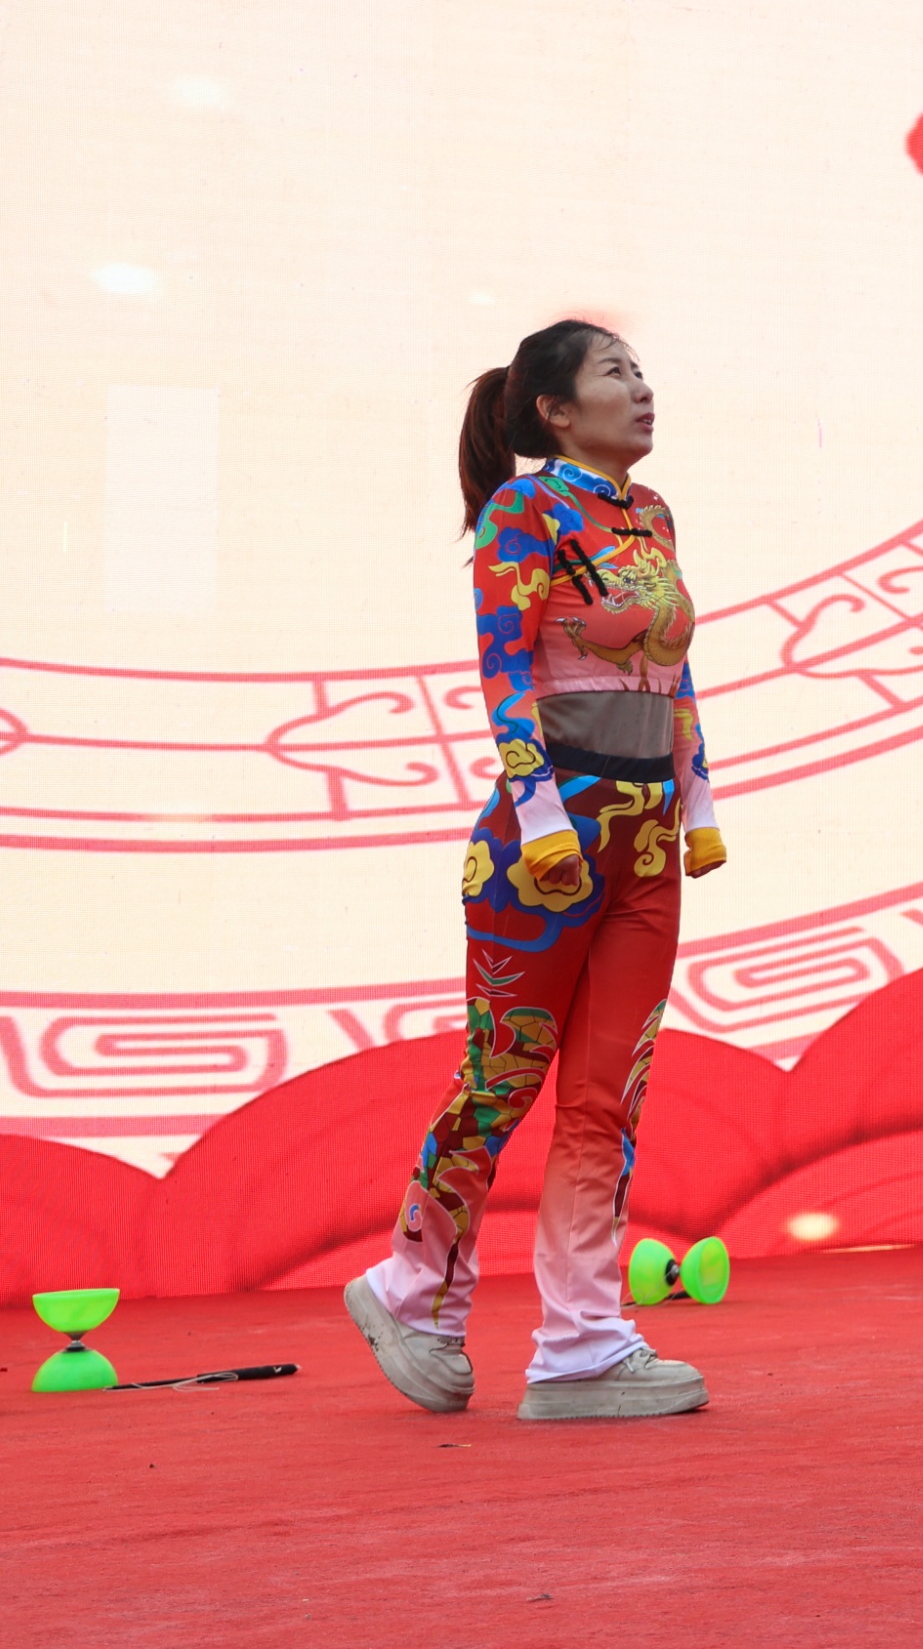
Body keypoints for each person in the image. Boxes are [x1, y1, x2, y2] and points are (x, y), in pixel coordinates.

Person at [343, 322, 724, 1423]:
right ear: (555, 410)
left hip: (646, 843)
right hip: (541, 848)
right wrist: (542, 810)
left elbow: (676, 672)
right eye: (616, 373)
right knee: (502, 1078)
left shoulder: (652, 515)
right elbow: (503, 667)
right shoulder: (525, 511)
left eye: (642, 371)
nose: (642, 389)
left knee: (610, 1097)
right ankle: (412, 1287)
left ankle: (584, 1341)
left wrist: (698, 803)